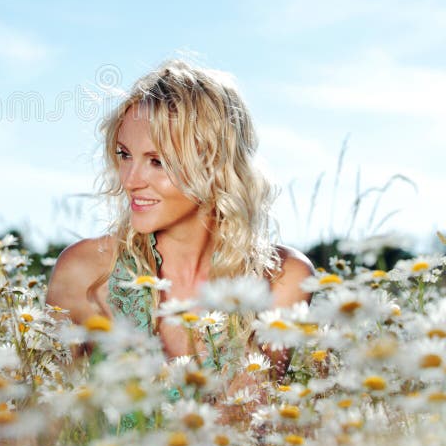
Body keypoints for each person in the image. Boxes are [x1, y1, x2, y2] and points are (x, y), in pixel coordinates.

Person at [46, 58, 313, 372]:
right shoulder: (84, 272)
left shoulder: (283, 277)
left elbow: (248, 414)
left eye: (157, 161)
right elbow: (45, 405)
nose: (130, 181)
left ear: (214, 165)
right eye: (124, 155)